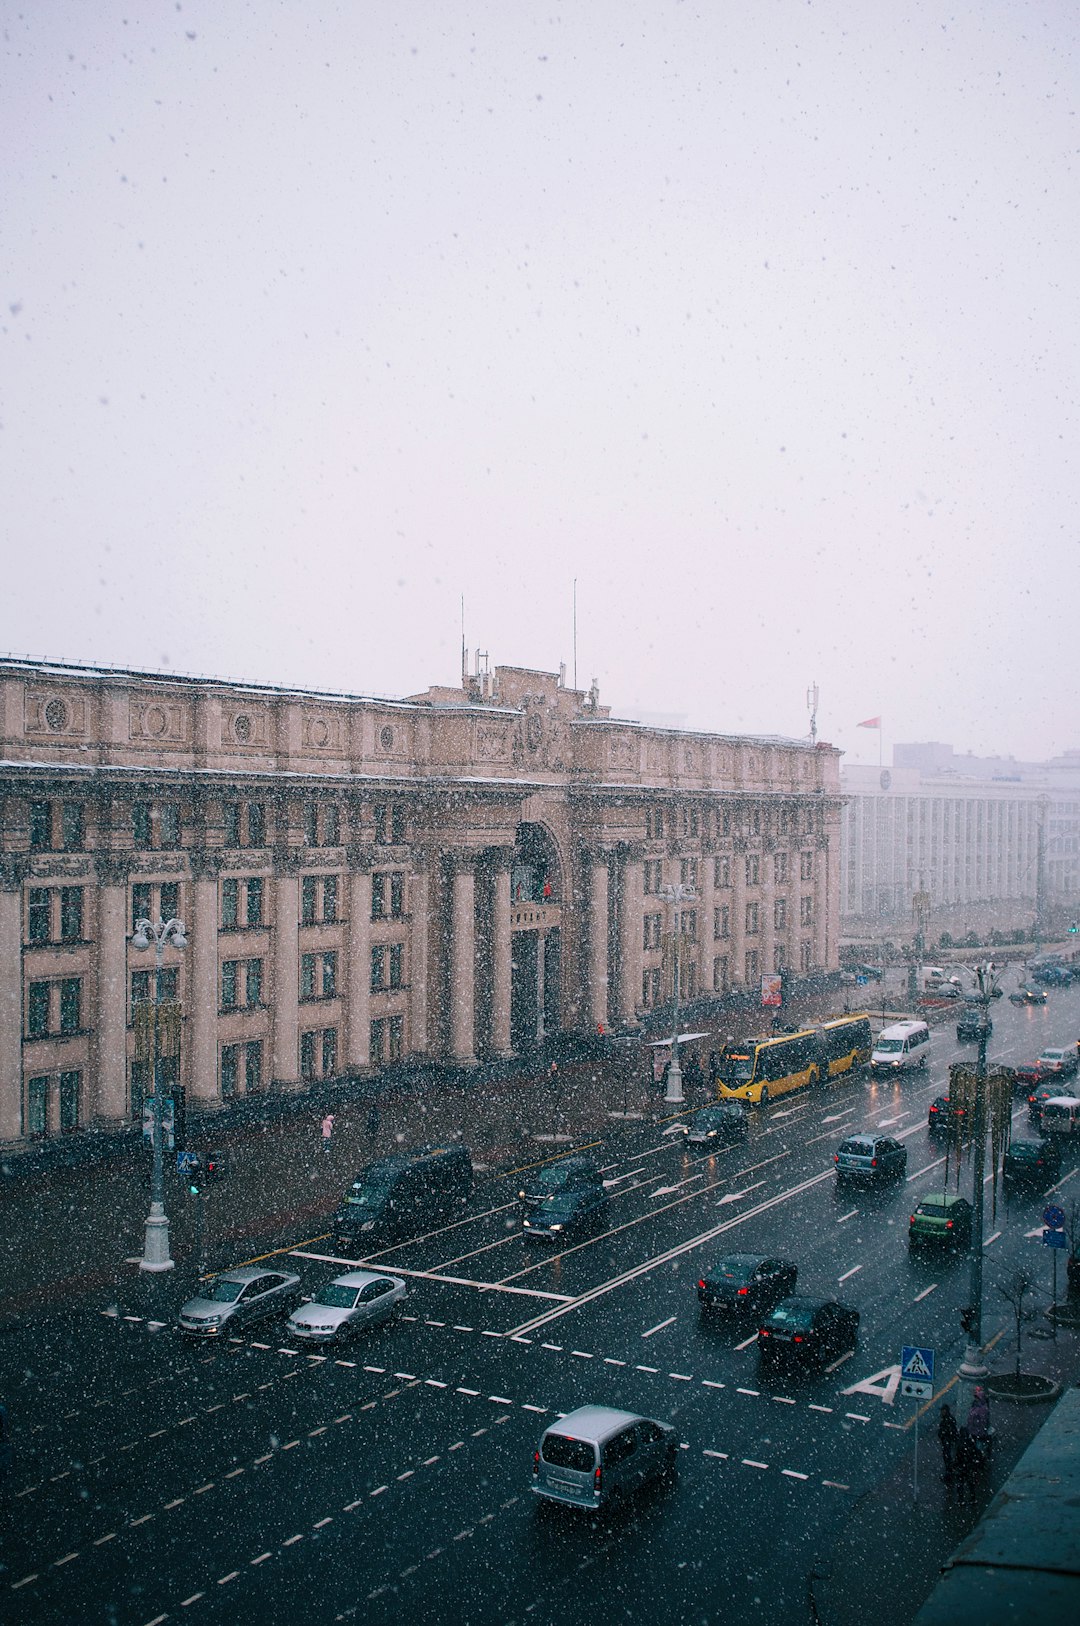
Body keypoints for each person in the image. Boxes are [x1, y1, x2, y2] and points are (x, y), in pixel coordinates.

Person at [937, 1401, 959, 1489]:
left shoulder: (947, 1420)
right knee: (947, 1457)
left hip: (947, 1441)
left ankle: (949, 1474)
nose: (941, 1412)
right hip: (947, 1441)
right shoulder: (948, 1419)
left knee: (947, 1457)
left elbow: (949, 1431)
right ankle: (949, 1473)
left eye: (942, 1410)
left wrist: (943, 1435)